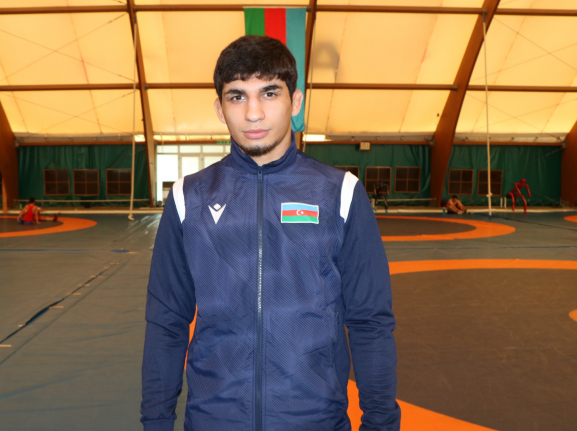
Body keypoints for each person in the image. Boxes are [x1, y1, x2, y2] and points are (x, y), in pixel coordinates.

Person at [141, 36, 400, 430]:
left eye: (269, 93)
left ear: (295, 102)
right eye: (237, 96)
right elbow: (166, 323)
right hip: (214, 420)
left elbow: (370, 322)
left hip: (315, 421)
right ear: (220, 109)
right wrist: (156, 423)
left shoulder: (341, 194)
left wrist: (381, 425)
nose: (254, 113)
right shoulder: (188, 198)